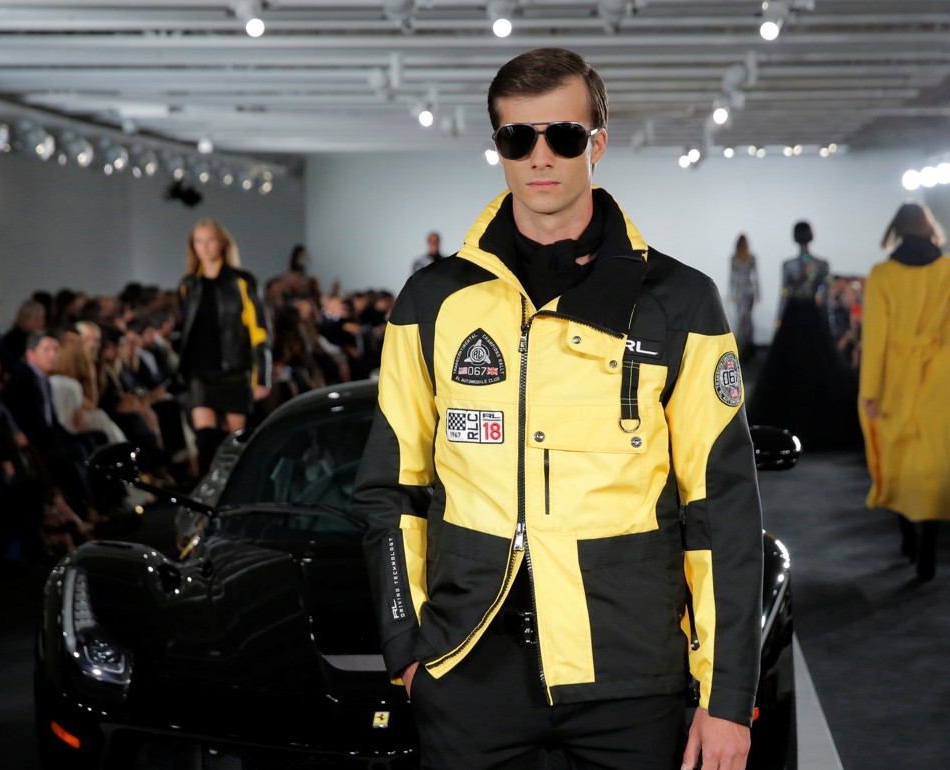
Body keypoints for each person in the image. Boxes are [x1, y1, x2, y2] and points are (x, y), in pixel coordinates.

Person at [355, 47, 763, 770]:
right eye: (519, 138)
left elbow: (721, 510)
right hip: (466, 667)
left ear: (596, 144)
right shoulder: (432, 302)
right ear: (499, 149)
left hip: (631, 675)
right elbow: (392, 489)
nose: (540, 156)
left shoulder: (680, 301)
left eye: (564, 136)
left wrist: (726, 698)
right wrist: (404, 646)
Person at [859, 202, 950, 580]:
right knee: (935, 459)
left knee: (899, 454)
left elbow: (876, 338)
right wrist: (947, 348)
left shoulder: (882, 274)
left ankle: (906, 533)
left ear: (897, 230)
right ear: (929, 227)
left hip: (895, 374)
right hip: (941, 373)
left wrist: (871, 389)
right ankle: (929, 544)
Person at [748, 220, 860, 451]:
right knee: (820, 369)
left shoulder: (788, 265)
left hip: (792, 318)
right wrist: (829, 328)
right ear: (811, 236)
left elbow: (784, 295)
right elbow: (826, 300)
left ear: (795, 238)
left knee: (788, 369)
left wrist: (778, 326)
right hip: (813, 318)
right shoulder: (822, 264)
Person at [174, 219, 272, 474]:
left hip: (234, 368)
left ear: (222, 243)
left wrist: (262, 375)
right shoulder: (188, 285)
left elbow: (259, 329)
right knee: (204, 439)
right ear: (192, 247)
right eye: (199, 241)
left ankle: (235, 496)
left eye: (210, 240)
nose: (205, 247)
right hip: (200, 368)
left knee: (235, 442)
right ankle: (207, 502)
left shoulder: (243, 281)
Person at [727, 234, 760, 361]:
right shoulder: (750, 258)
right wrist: (757, 293)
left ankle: (743, 347)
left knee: (742, 319)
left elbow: (732, 278)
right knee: (747, 319)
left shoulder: (735, 258)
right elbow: (756, 278)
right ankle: (748, 347)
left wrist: (732, 293)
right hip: (748, 290)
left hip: (741, 292)